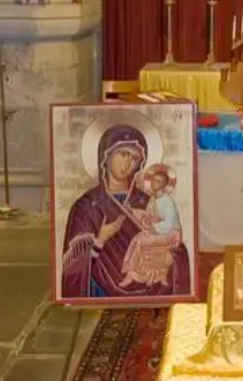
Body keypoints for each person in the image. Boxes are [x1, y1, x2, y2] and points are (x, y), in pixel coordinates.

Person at [60, 124, 191, 299]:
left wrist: (166, 258)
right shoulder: (86, 206)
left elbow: (177, 247)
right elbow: (73, 271)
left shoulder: (149, 202)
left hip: (151, 285)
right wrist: (100, 241)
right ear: (106, 156)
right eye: (123, 154)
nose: (128, 163)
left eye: (135, 158)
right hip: (101, 292)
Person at [119, 167, 182, 287]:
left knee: (140, 241)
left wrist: (152, 227)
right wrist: (131, 210)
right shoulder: (153, 199)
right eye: (153, 180)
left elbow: (169, 224)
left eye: (158, 181)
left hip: (170, 235)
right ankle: (131, 274)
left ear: (164, 185)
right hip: (157, 232)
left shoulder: (168, 202)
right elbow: (147, 215)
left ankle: (131, 276)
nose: (154, 183)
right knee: (137, 239)